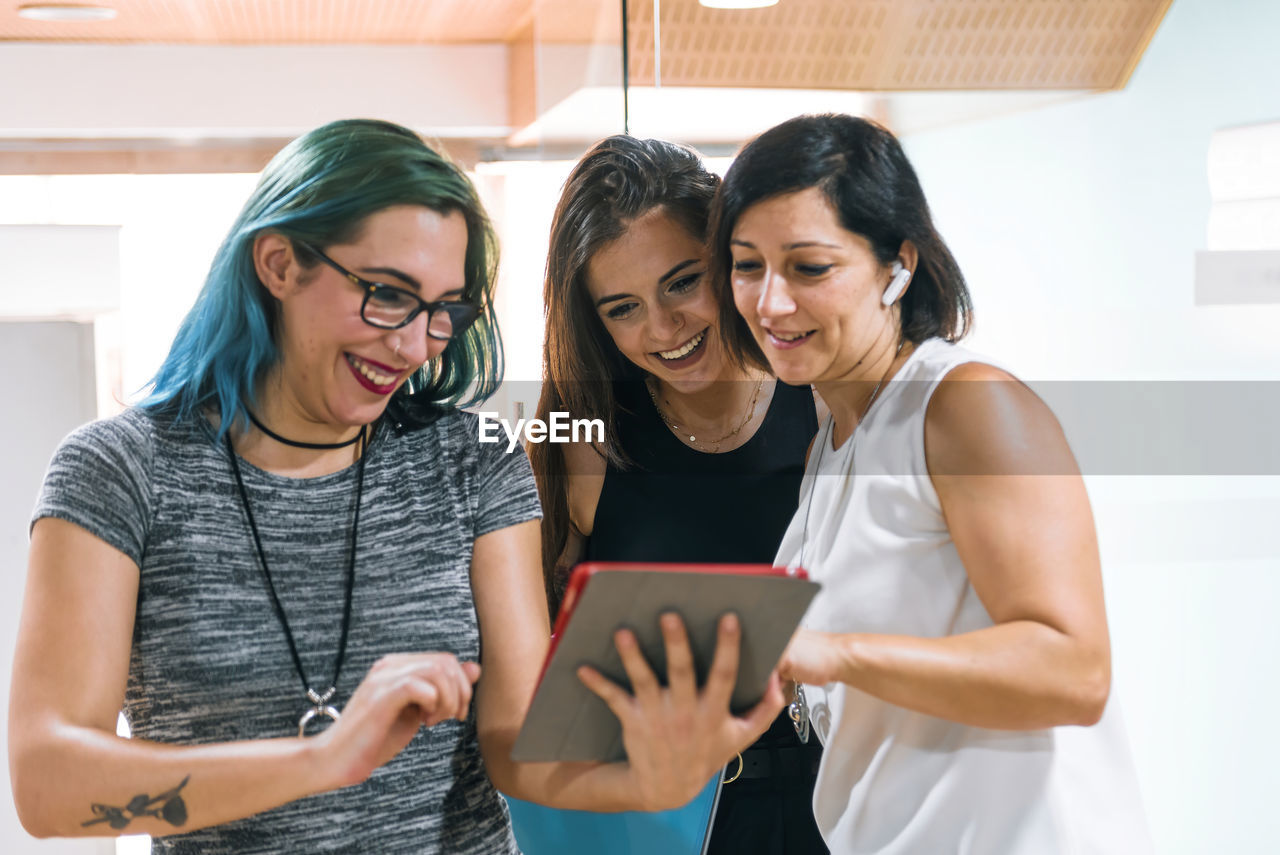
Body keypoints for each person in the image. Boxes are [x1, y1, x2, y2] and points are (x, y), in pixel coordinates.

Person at [8, 118, 782, 854]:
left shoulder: (472, 460)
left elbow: (516, 744)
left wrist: (646, 776)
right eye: (386, 293)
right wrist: (323, 758)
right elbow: (47, 786)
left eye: (443, 311)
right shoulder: (119, 471)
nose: (413, 343)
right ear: (278, 263)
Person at [707, 113, 1153, 853]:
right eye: (747, 264)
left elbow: (1074, 670)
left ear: (898, 264)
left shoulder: (965, 403)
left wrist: (833, 651)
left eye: (809, 267)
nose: (770, 302)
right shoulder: (833, 440)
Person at [521, 134, 828, 855]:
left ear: (733, 259)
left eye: (682, 282)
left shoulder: (823, 407)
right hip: (662, 819)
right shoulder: (584, 442)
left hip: (842, 792)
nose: (663, 330)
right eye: (621, 308)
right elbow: (529, 683)